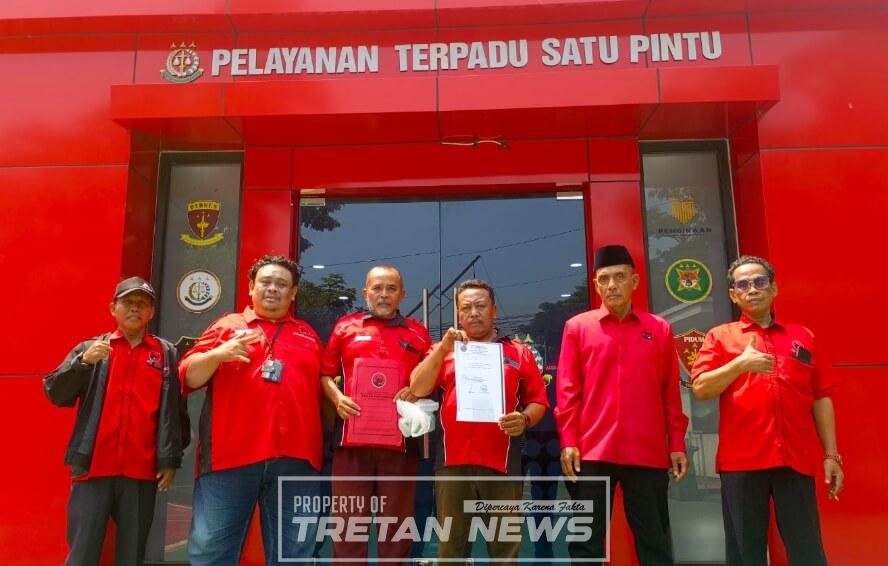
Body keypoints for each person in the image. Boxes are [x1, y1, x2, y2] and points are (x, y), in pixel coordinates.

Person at [691, 255, 843, 566]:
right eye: (743, 285)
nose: (752, 289)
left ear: (774, 289)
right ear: (733, 295)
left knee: (807, 551)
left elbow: (821, 397)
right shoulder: (720, 336)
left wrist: (831, 455)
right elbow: (701, 388)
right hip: (741, 463)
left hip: (795, 460)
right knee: (746, 554)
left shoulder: (803, 336)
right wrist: (740, 364)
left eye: (760, 282)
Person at [180, 255, 324, 565]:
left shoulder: (308, 335)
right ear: (250, 287)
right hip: (230, 457)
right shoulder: (226, 326)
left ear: (293, 293)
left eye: (282, 284)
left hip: (297, 460)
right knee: (211, 552)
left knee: (295, 555)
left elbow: (326, 386)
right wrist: (218, 353)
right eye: (265, 282)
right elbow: (189, 376)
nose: (273, 289)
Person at [556, 244, 689, 565]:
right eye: (604, 279)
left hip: (646, 451)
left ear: (635, 281)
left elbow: (670, 391)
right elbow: (568, 390)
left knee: (655, 542)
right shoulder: (578, 328)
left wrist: (676, 442)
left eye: (619, 277)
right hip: (591, 452)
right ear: (596, 284)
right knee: (586, 544)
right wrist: (569, 440)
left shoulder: (658, 329)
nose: (612, 285)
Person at [44, 277, 187, 566]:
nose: (135, 308)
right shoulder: (92, 348)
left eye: (142, 304)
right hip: (93, 469)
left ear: (151, 312)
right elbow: (55, 392)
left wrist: (170, 458)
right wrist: (82, 363)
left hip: (141, 472)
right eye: (128, 303)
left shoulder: (165, 353)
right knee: (82, 554)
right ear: (113, 308)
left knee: (131, 556)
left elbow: (175, 411)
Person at [410, 279, 549, 562]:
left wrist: (524, 418)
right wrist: (442, 349)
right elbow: (418, 388)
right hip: (452, 464)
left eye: (481, 306)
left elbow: (539, 401)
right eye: (466, 308)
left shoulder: (518, 352)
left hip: (502, 464)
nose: (473, 313)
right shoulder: (444, 350)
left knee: (505, 551)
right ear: (458, 314)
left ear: (494, 310)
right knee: (451, 551)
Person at [320, 265, 432, 563]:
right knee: (348, 526)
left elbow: (432, 378)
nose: (384, 294)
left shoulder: (418, 332)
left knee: (396, 527)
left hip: (400, 444)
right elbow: (325, 374)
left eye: (391, 289)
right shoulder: (345, 327)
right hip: (351, 443)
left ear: (402, 294)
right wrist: (337, 397)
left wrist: (416, 391)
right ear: (365, 292)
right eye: (377, 288)